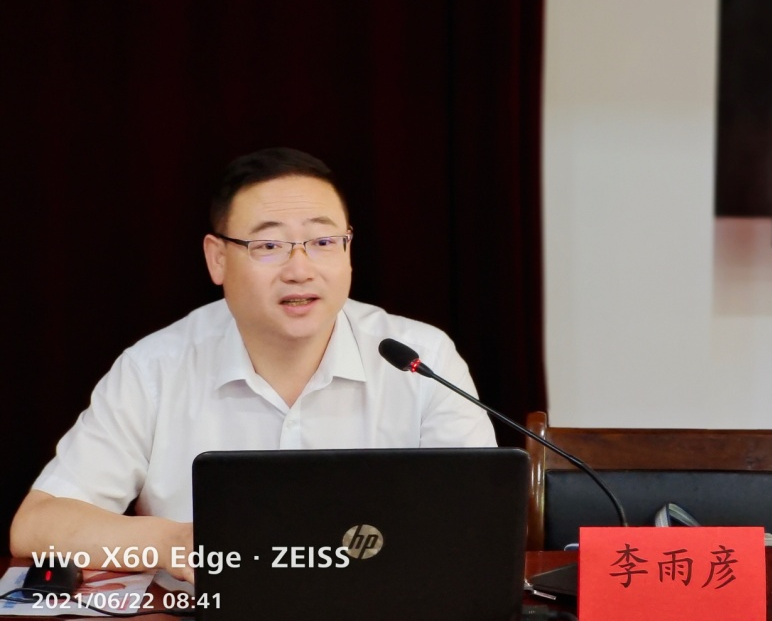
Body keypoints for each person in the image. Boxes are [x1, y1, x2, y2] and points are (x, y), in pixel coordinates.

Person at [8, 148, 496, 581]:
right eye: (269, 246)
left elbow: (481, 521)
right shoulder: (155, 369)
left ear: (349, 250)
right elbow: (37, 525)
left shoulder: (420, 359)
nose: (300, 269)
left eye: (323, 242)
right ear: (217, 259)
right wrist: (172, 542)